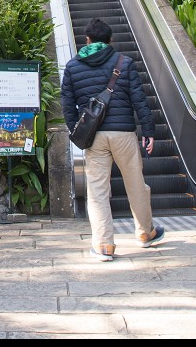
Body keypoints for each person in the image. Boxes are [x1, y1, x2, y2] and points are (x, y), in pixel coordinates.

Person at [61, 17, 165, 261]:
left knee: (97, 191)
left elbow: (67, 104)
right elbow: (139, 99)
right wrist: (148, 131)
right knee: (136, 185)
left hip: (94, 136)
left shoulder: (73, 66)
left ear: (87, 40)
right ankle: (145, 233)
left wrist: (78, 129)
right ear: (109, 40)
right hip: (124, 133)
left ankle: (104, 245)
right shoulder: (124, 63)